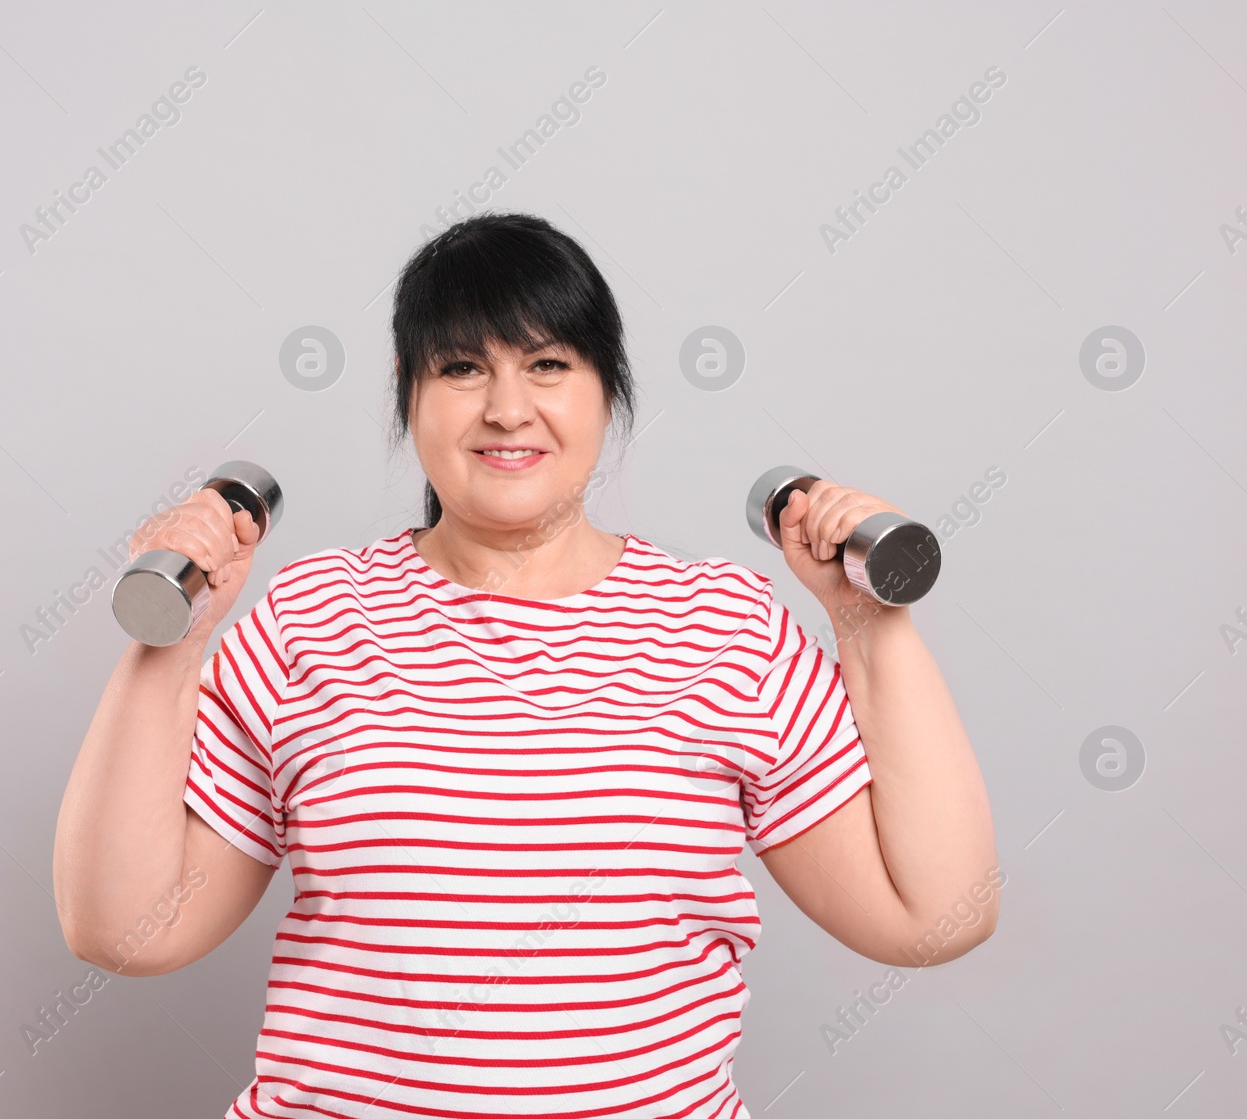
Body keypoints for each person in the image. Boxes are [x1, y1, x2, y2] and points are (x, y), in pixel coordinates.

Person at [53, 211, 998, 1118]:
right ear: (407, 392)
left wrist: (869, 623)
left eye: (548, 364)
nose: (508, 409)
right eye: (462, 367)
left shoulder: (726, 627)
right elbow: (126, 928)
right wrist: (174, 645)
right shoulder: (311, 618)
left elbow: (935, 917)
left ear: (607, 389)